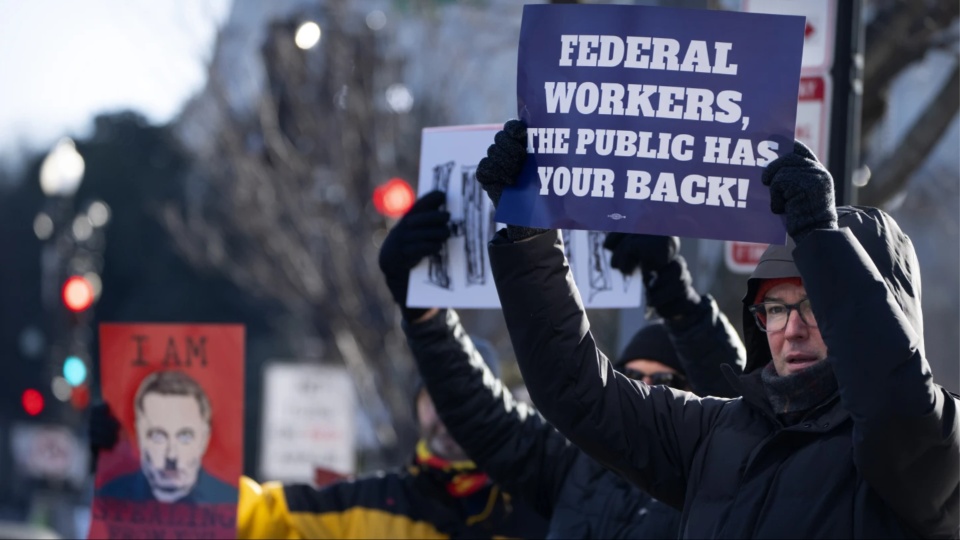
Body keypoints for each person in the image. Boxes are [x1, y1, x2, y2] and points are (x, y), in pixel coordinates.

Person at [473, 119, 959, 538]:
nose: (791, 330)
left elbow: (893, 402)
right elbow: (576, 390)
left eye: (816, 305)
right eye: (774, 308)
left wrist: (820, 239)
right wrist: (529, 233)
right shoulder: (717, 432)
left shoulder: (933, 446)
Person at [377, 190, 745, 538]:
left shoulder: (719, 472)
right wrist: (423, 314)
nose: (645, 387)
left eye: (665, 379)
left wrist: (677, 299)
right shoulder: (571, 465)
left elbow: (738, 403)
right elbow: (482, 416)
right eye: (631, 376)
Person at [90, 351, 547, 538]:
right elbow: (250, 515)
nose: (449, 415)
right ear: (418, 405)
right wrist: (135, 459)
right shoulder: (365, 506)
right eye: (436, 398)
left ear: (497, 405)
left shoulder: (547, 504)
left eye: (466, 400)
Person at [96, 370, 237, 504]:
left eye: (185, 437)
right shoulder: (109, 498)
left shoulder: (231, 503)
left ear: (204, 439)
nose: (171, 455)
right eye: (158, 436)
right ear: (139, 435)